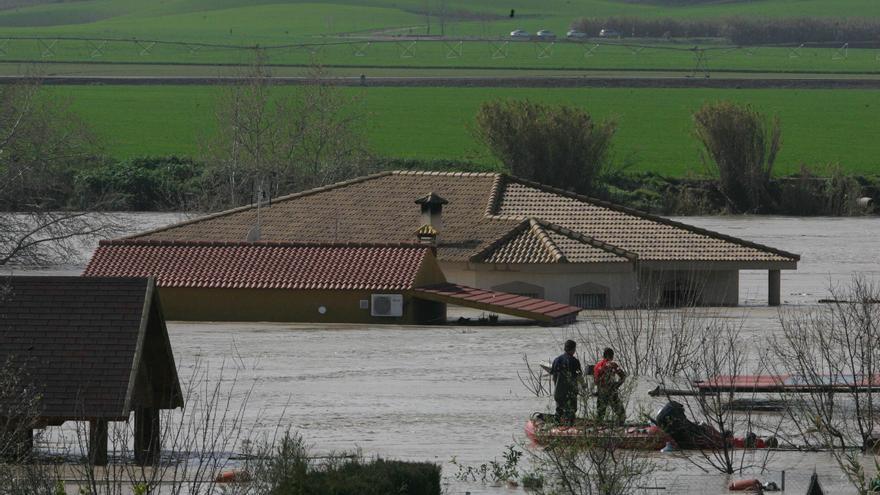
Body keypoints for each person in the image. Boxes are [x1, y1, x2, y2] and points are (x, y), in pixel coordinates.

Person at [550, 340, 582, 424]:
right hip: (571, 391)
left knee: (559, 410)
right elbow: (579, 376)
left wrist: (557, 388)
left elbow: (554, 377)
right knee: (571, 411)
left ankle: (556, 426)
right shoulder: (575, 361)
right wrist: (584, 386)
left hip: (559, 391)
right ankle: (569, 427)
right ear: (573, 349)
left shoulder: (556, 360)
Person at [593, 347, 626, 425]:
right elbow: (623, 376)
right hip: (611, 392)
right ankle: (620, 430)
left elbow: (596, 381)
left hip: (601, 392)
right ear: (609, 356)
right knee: (621, 414)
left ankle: (597, 432)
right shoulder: (612, 364)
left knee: (600, 415)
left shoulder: (597, 365)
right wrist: (617, 385)